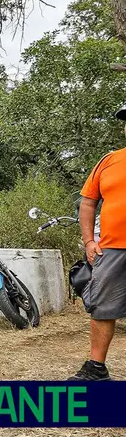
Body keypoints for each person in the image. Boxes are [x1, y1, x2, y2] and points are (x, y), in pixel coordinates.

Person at [68, 106, 126, 381]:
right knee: (102, 307)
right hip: (111, 248)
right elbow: (88, 202)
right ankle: (96, 369)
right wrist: (89, 240)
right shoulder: (109, 161)